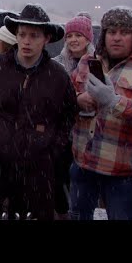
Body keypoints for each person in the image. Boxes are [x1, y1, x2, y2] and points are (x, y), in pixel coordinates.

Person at [0, 3, 78, 220]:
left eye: (34, 35)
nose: (26, 41)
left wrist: (51, 145)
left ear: (47, 39)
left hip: (37, 168)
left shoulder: (58, 76)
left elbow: (68, 115)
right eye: (22, 34)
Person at [70, 6, 132, 220]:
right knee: (77, 216)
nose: (116, 38)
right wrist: (78, 100)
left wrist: (113, 101)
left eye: (124, 32)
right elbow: (67, 93)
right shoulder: (87, 61)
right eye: (111, 32)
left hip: (123, 172)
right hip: (83, 164)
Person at [52, 15, 95, 219]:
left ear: (88, 38)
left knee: (84, 184)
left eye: (78, 35)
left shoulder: (98, 63)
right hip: (61, 133)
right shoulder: (57, 64)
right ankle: (64, 213)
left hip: (90, 135)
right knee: (58, 179)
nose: (73, 40)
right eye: (69, 35)